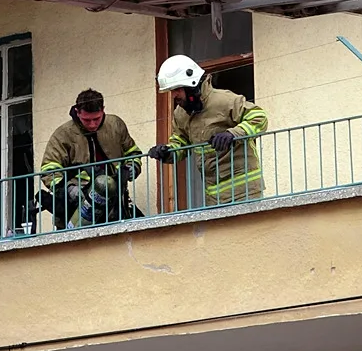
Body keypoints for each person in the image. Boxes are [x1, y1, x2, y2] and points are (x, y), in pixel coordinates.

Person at [148, 55, 269, 206]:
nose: (173, 96)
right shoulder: (181, 114)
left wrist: (232, 134)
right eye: (171, 91)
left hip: (245, 192)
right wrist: (166, 152)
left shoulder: (224, 100)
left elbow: (259, 117)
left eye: (177, 89)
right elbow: (180, 143)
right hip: (213, 197)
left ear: (191, 86)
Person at [39, 89, 144, 229]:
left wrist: (131, 169)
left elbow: (133, 153)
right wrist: (69, 189)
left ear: (103, 110)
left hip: (115, 203)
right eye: (87, 120)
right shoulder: (63, 135)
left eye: (97, 119)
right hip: (77, 207)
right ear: (77, 112)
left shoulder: (115, 125)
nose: (92, 124)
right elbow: (49, 170)